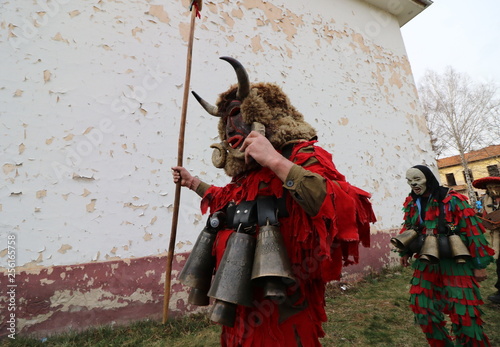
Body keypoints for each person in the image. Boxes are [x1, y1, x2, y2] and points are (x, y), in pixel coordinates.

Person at [172, 56, 376, 347]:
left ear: (263, 114)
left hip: (284, 305)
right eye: (225, 119)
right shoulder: (245, 175)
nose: (231, 126)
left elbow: (342, 203)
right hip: (237, 295)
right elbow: (228, 201)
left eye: (238, 113)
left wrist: (276, 161)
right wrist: (192, 182)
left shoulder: (301, 155)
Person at [396, 165, 494, 347]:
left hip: (456, 262)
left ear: (428, 178)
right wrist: (405, 251)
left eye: (417, 179)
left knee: (464, 314)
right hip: (426, 262)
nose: (413, 184)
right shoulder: (412, 202)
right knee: (422, 307)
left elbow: (472, 231)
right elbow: (409, 226)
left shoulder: (453, 199)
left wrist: (479, 265)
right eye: (409, 181)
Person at [473, 176, 500, 304]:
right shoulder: (486, 200)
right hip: (496, 237)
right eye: (489, 187)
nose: (493, 189)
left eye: (495, 186)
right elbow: (486, 216)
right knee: (499, 263)